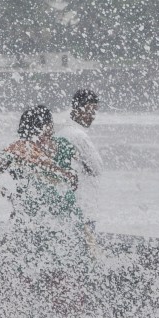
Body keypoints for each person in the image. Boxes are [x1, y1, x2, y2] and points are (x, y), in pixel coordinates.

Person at [0, 105, 87, 318]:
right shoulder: (58, 148)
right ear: (47, 126)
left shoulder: (21, 149)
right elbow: (75, 181)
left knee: (18, 291)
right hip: (57, 230)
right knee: (60, 294)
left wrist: (11, 196)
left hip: (35, 229)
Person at [55, 89, 103, 249]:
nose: (92, 116)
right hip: (84, 208)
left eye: (95, 111)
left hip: (65, 207)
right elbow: (97, 168)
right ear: (76, 109)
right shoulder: (79, 136)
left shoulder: (61, 133)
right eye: (90, 110)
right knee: (88, 256)